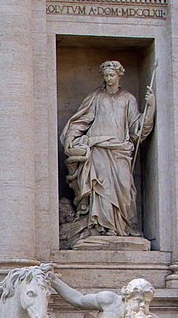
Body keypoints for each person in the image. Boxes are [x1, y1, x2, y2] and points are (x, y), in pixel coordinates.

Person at [61, 60, 156, 238]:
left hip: (120, 150)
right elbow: (81, 121)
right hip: (98, 149)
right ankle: (103, 227)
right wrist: (70, 137)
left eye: (111, 75)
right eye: (105, 76)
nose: (108, 78)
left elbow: (137, 127)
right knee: (101, 188)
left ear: (119, 76)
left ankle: (123, 226)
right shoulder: (96, 97)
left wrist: (150, 106)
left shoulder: (128, 99)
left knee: (125, 189)